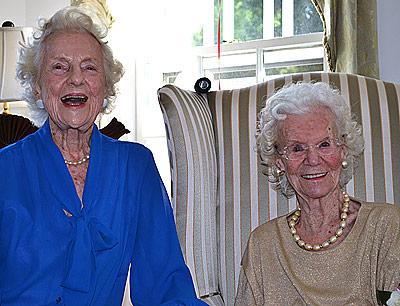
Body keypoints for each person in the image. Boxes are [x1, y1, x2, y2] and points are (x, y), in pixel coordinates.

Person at [0, 7, 206, 306]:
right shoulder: (6, 170)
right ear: (36, 86)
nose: (75, 80)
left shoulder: (135, 167)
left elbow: (165, 285)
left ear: (105, 86)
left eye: (89, 67)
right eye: (59, 67)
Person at [234, 82, 400, 305]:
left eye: (324, 144)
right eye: (297, 148)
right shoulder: (263, 245)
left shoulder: (386, 226)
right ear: (279, 162)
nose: (312, 160)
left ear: (343, 151)